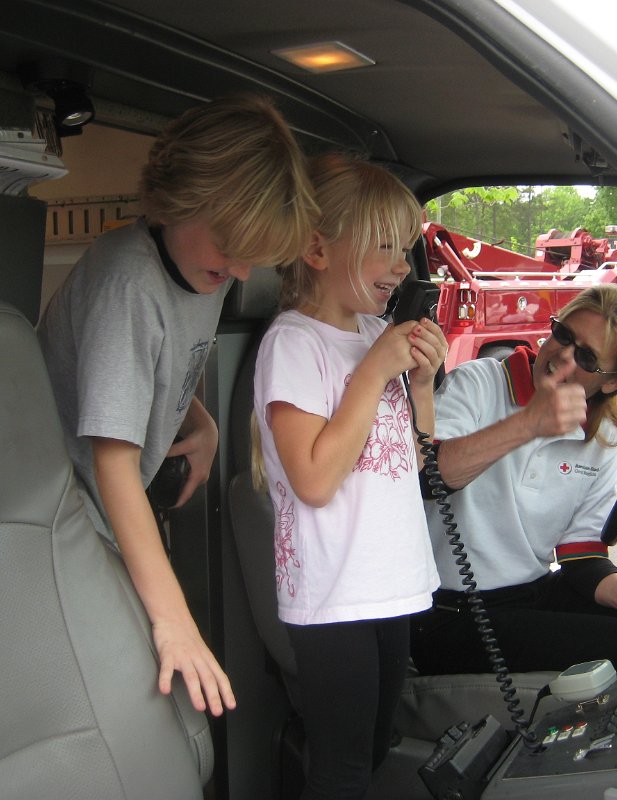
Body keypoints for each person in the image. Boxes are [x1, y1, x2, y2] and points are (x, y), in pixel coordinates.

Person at [37, 94, 318, 716]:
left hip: (109, 516)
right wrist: (175, 621)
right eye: (232, 246)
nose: (243, 271)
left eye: (256, 255)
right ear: (173, 203)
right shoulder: (129, 285)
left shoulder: (200, 268)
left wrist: (201, 420)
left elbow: (161, 365)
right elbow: (112, 465)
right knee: (136, 686)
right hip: (68, 520)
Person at [252, 152, 448, 799]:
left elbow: (411, 461)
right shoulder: (294, 344)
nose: (401, 267)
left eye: (405, 251)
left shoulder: (374, 332)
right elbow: (312, 478)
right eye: (384, 250)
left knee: (371, 749)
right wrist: (372, 371)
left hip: (389, 584)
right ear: (316, 248)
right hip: (333, 594)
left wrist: (418, 382)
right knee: (339, 768)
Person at [411, 283, 617, 683]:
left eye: (587, 357)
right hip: (450, 614)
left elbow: (581, 558)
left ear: (612, 382)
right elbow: (426, 478)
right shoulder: (479, 383)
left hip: (536, 592)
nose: (561, 356)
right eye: (563, 335)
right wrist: (527, 424)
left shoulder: (600, 436)